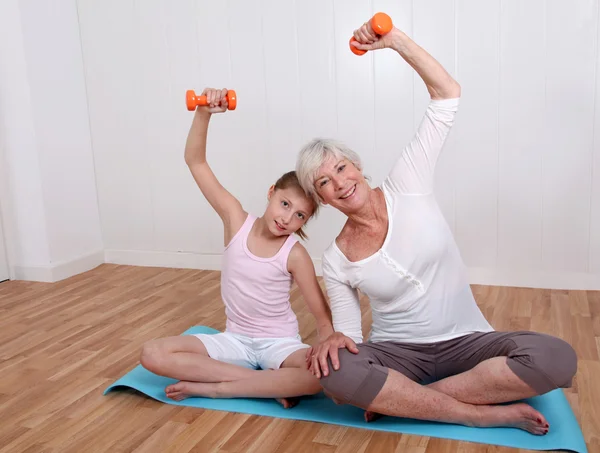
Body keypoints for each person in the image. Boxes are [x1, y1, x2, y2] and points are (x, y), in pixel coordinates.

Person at [295, 22, 577, 434]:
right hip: (399, 351)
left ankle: (411, 400)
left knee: (556, 357)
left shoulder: (407, 183)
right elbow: (351, 335)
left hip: (468, 342)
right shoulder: (336, 259)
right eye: (324, 182)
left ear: (357, 166)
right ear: (322, 198)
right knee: (337, 374)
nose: (339, 182)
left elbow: (447, 94)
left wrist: (395, 42)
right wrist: (335, 341)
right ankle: (473, 412)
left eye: (341, 167)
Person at [140, 88, 333, 407]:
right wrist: (204, 113)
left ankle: (218, 387)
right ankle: (265, 385)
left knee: (320, 377)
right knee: (152, 353)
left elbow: (322, 319)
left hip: (280, 347)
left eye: (299, 215)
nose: (286, 218)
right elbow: (195, 161)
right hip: (233, 344)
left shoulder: (294, 254)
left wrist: (328, 357)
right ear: (271, 192)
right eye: (284, 204)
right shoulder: (235, 220)